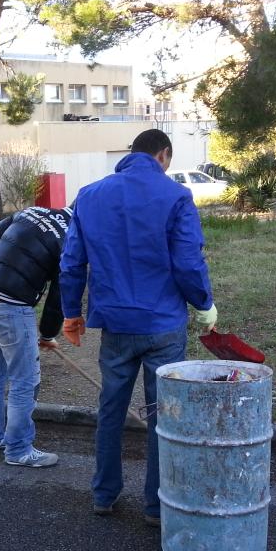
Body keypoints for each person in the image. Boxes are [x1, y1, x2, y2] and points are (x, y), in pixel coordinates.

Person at [59, 129, 217, 524]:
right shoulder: (176, 196)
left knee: (110, 409)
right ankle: (156, 505)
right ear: (163, 155)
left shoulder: (90, 195)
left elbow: (71, 263)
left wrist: (70, 314)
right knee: (164, 414)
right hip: (163, 324)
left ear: (133, 154)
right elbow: (187, 262)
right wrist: (204, 304)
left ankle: (104, 494)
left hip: (115, 324)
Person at [0, 205, 72, 467]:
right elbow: (58, 296)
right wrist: (48, 333)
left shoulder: (31, 211)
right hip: (11, 308)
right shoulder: (71, 238)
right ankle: (18, 450)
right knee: (24, 381)